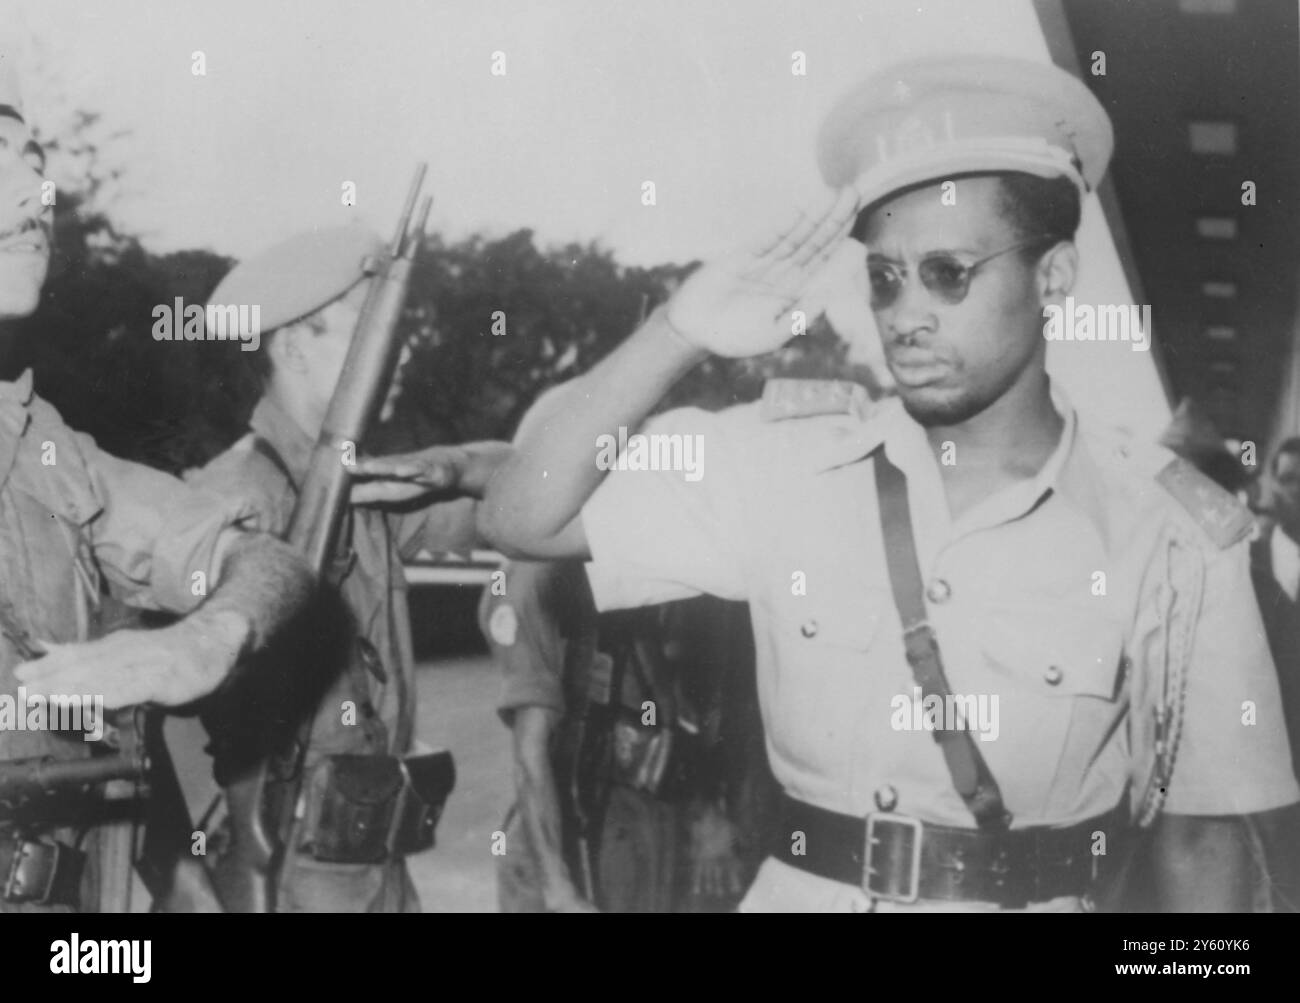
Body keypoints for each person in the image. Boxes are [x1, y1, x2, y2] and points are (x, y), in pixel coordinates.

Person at [478, 54, 1300, 912]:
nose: (906, 315)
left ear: (1053, 277)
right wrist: (681, 329)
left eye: (948, 272)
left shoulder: (1169, 533)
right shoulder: (785, 466)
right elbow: (522, 514)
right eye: (884, 277)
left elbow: (1207, 847)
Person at [0, 60, 316, 913]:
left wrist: (205, 638)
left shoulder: (45, 445)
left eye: (35, 159)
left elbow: (264, 559)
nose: (39, 190)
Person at [190, 224, 511, 912]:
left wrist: (452, 463)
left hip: (380, 871)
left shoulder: (375, 493)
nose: (396, 356)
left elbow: (524, 493)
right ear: (294, 346)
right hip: (287, 878)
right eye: (371, 334)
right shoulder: (230, 500)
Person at [482, 560, 758, 913]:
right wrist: (558, 888)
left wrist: (707, 810)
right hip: (571, 833)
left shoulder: (642, 564)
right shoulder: (534, 578)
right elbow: (530, 755)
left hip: (648, 824)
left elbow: (687, 705)